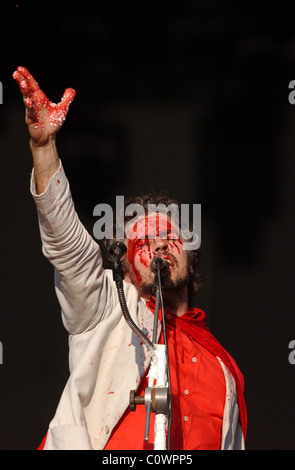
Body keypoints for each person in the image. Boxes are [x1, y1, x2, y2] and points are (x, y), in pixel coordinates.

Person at [13, 66, 247, 450]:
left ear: (192, 257)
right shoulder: (107, 308)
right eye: (143, 242)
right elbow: (68, 248)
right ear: (125, 269)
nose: (158, 246)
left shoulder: (223, 368)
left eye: (169, 237)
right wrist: (43, 148)